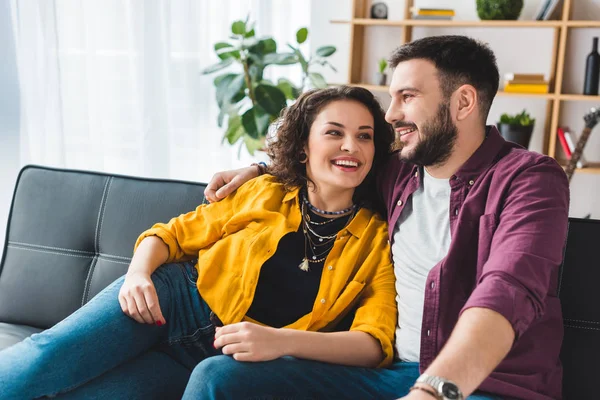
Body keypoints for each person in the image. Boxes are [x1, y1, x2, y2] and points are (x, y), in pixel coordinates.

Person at [202, 35, 570, 400]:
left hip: (486, 386)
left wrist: (432, 392)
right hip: (390, 375)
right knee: (220, 376)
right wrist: (261, 169)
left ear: (463, 102)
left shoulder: (531, 179)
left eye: (407, 97)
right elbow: (329, 168)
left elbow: (506, 292)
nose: (391, 115)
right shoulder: (397, 171)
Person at [0, 86, 398, 399]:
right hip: (170, 300)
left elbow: (372, 344)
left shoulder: (377, 239)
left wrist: (280, 341)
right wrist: (138, 274)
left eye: (364, 136)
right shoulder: (263, 190)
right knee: (44, 359)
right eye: (334, 133)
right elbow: (169, 235)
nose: (351, 146)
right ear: (302, 149)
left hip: (219, 357)